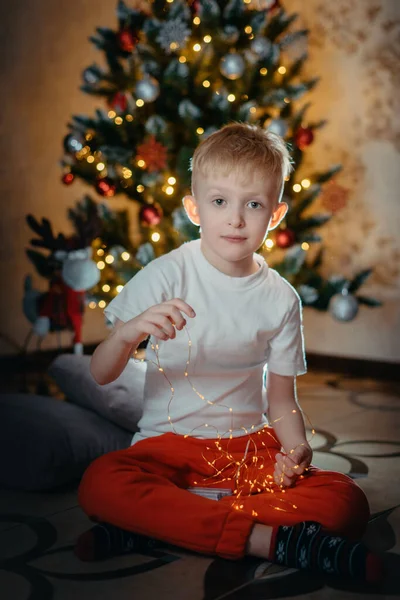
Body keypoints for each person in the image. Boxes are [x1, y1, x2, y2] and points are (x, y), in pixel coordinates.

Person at [76, 123, 382, 583]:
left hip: (246, 453)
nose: (235, 219)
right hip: (167, 452)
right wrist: (128, 334)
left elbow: (281, 400)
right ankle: (268, 541)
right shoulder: (166, 275)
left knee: (346, 502)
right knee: (101, 481)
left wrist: (297, 450)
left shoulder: (281, 299)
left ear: (275, 215)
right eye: (219, 202)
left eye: (253, 204)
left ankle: (159, 529)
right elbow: (100, 373)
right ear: (194, 208)